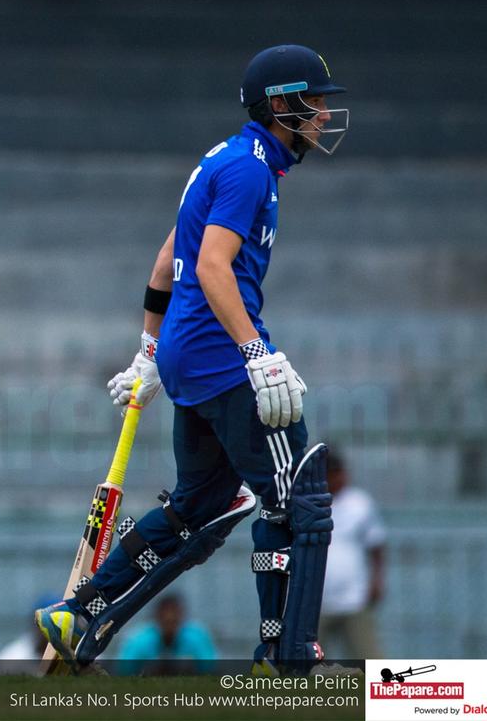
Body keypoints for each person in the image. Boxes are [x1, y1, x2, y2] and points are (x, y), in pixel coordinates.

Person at [36, 45, 349, 675]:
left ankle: (78, 612)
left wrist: (150, 352)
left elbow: (164, 262)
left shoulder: (222, 159)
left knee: (198, 506)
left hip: (190, 358)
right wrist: (256, 353)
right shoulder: (250, 171)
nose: (323, 116)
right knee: (298, 502)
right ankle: (286, 656)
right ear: (282, 106)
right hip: (223, 359)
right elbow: (210, 266)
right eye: (314, 103)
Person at [319, 449, 386, 658]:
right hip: (315, 602)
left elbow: (376, 545)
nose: (339, 479)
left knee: (370, 660)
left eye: (340, 473)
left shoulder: (360, 503)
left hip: (354, 599)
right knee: (306, 665)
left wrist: (377, 580)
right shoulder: (308, 502)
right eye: (332, 474)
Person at [117, 594, 216, 675]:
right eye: (166, 621)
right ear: (157, 618)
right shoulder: (138, 641)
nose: (170, 621)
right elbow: (124, 672)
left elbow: (212, 670)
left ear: (181, 617)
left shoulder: (196, 637)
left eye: (173, 621)